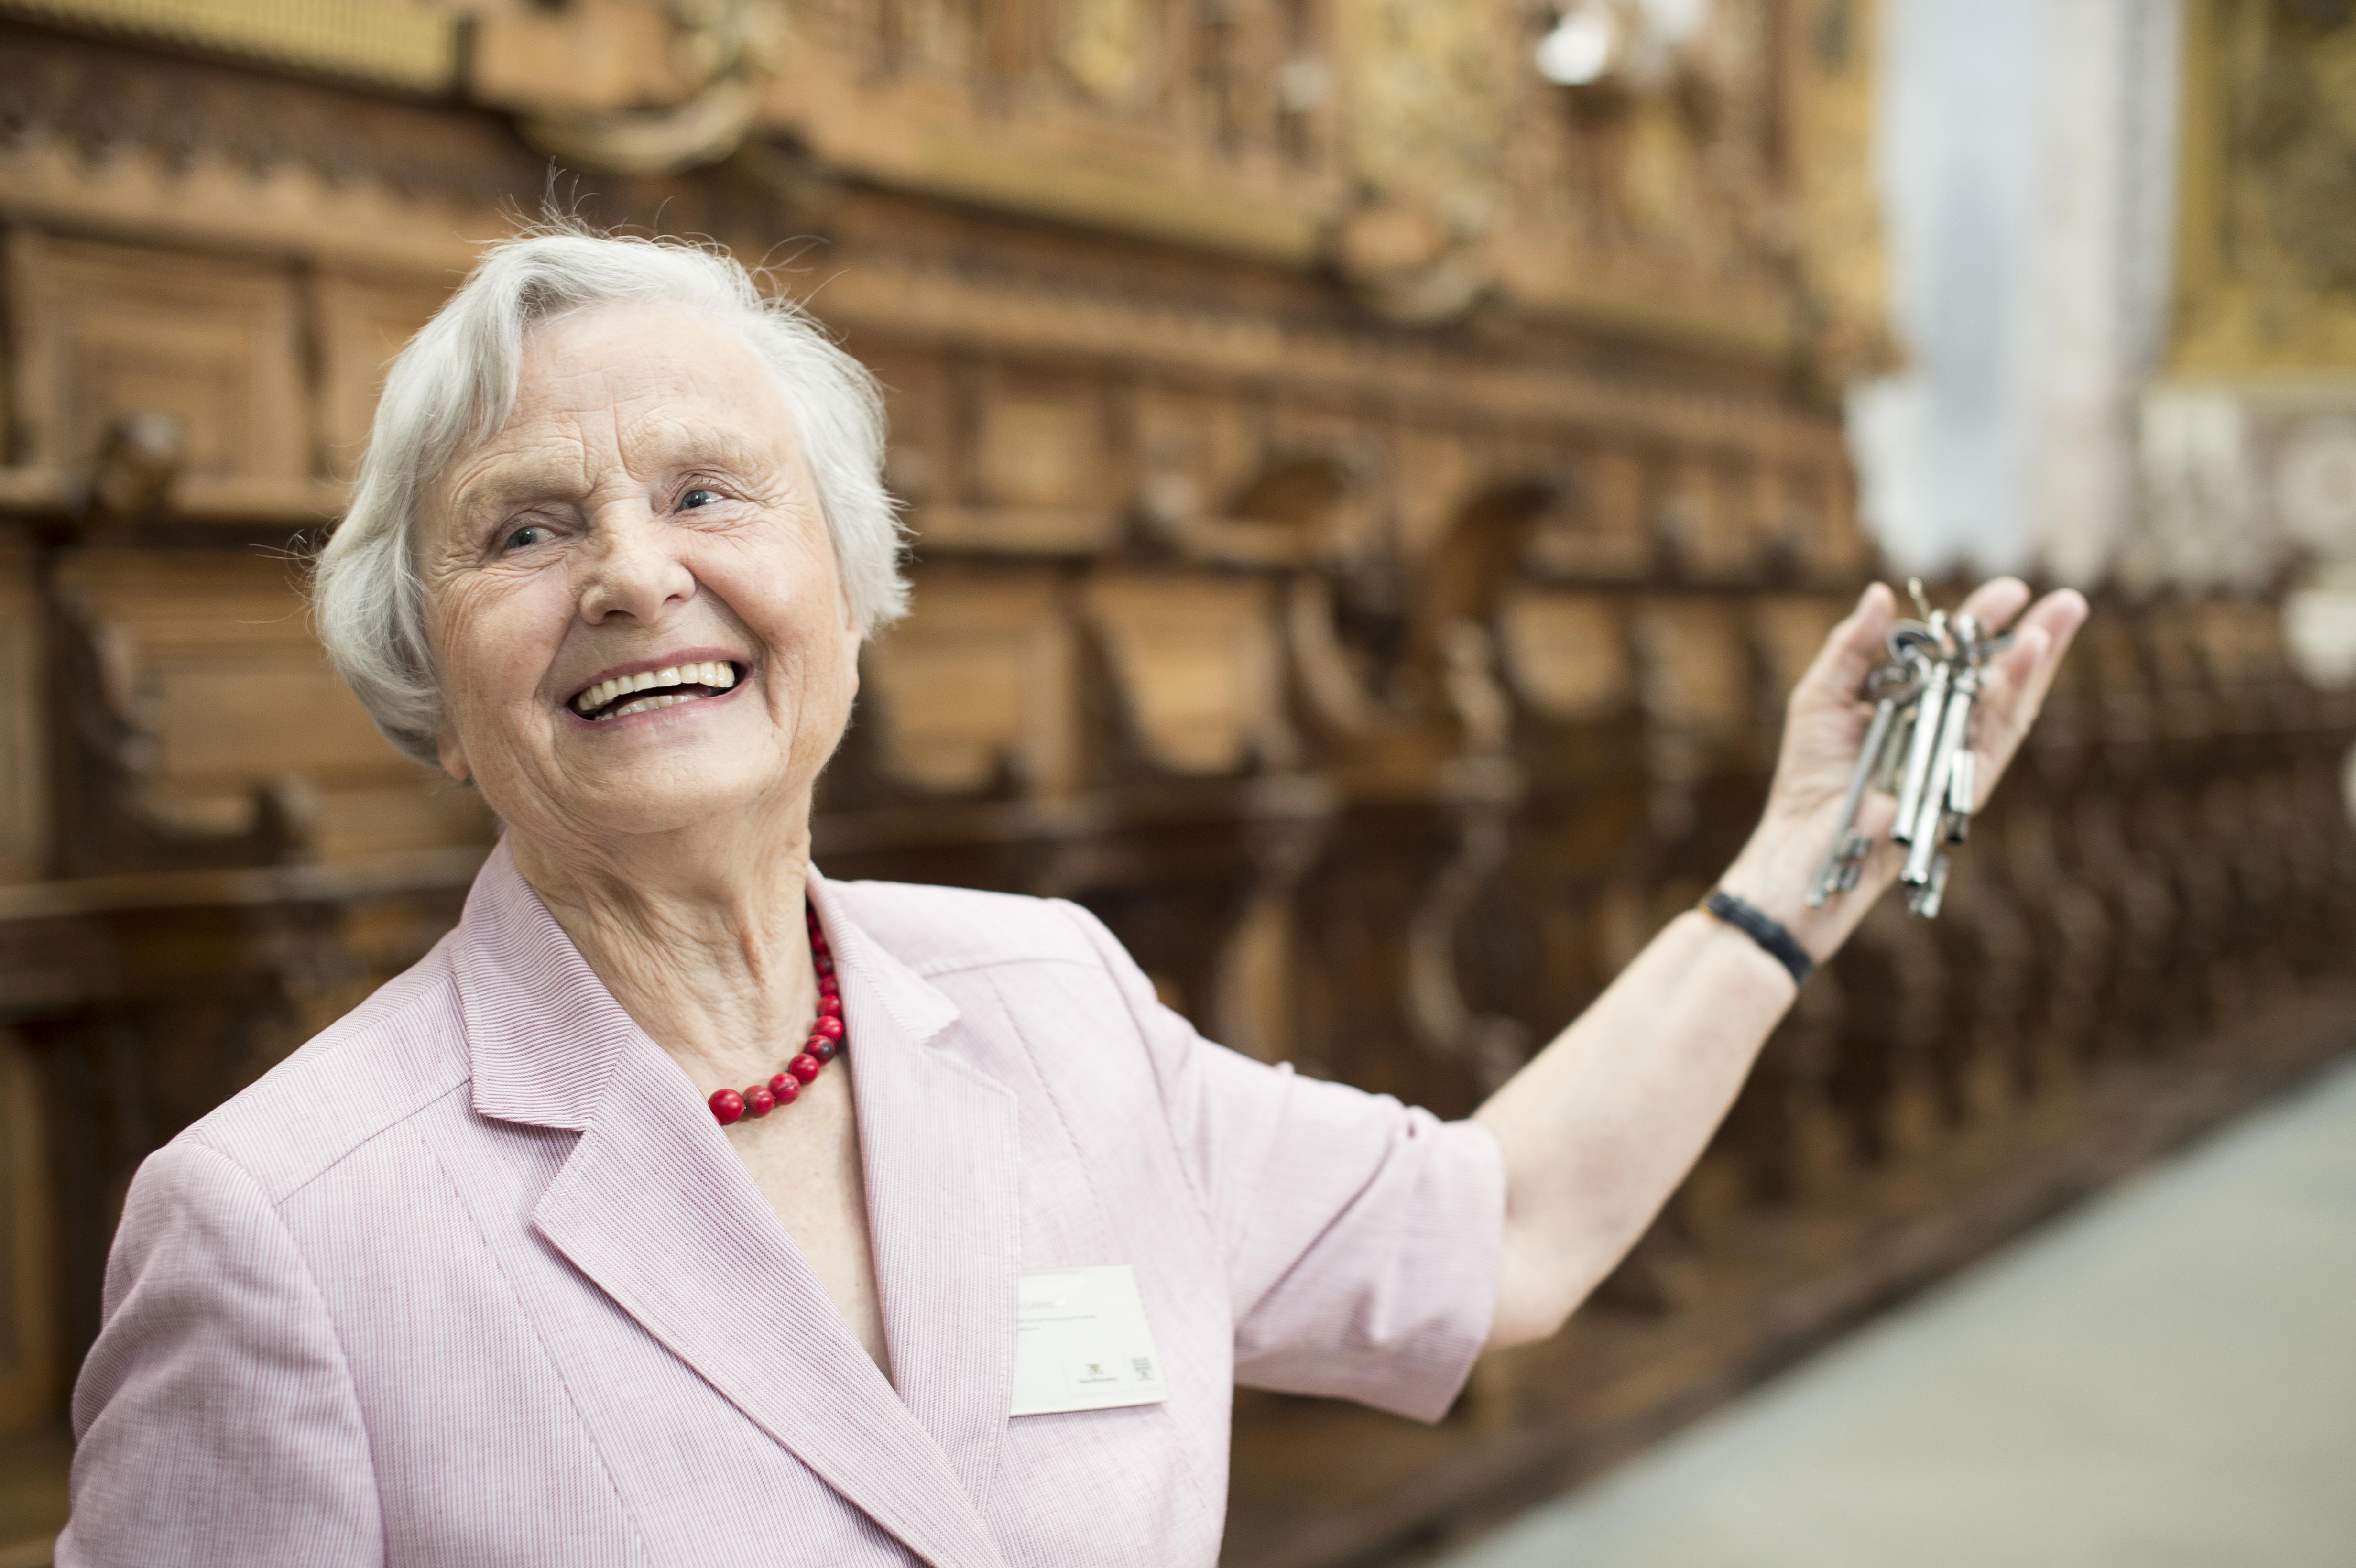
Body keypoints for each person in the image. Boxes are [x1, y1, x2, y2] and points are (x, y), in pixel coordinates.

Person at [58, 228, 2086, 1568]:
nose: (630, 573)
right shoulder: (282, 1232)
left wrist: (1790, 879)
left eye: (703, 493)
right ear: (429, 682)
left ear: (843, 589)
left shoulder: (1049, 1001)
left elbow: (1510, 1229)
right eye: (524, 527)